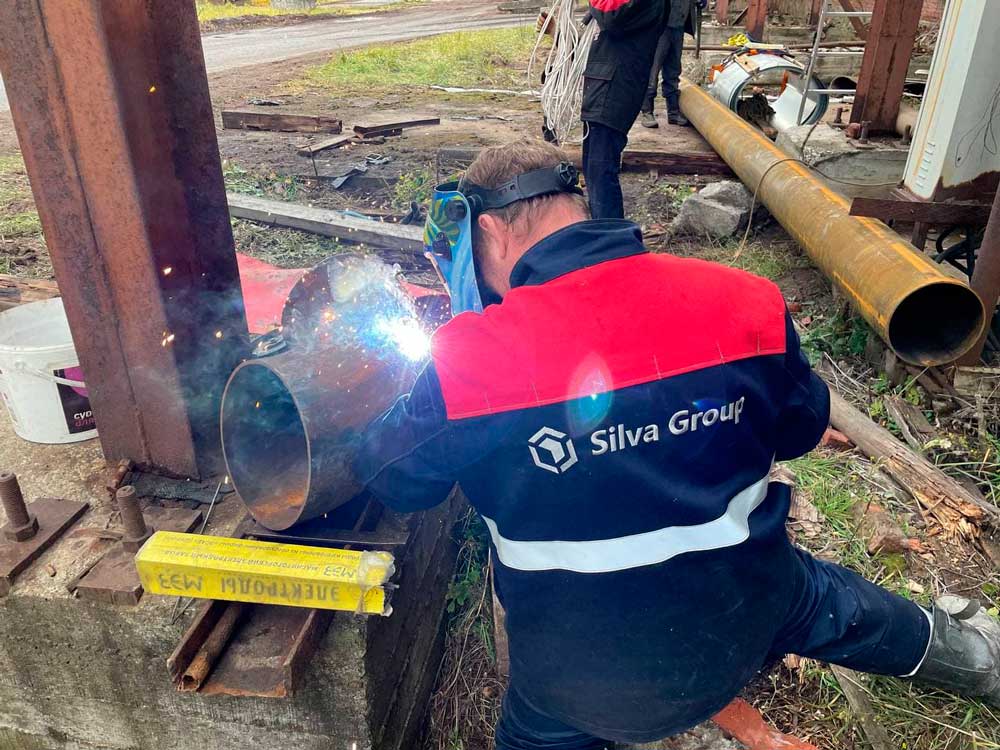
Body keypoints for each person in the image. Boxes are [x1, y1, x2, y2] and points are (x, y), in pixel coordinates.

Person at [357, 140, 1000, 750]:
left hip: (573, 682)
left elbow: (398, 482)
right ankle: (979, 659)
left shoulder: (469, 362)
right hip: (745, 624)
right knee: (833, 602)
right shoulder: (747, 301)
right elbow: (802, 429)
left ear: (492, 231)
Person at [580, 0, 667, 220]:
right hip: (603, 84)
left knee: (600, 169)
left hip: (616, 87)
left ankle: (609, 234)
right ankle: (602, 229)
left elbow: (612, 16)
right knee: (593, 169)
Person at [640, 0, 701, 129]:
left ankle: (673, 112)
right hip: (660, 26)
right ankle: (647, 112)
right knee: (652, 71)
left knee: (673, 71)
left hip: (678, 25)